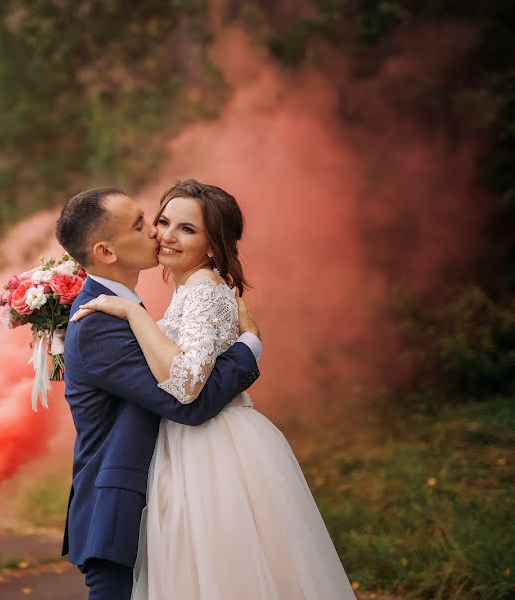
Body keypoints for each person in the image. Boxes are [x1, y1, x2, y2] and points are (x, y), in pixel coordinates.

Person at [72, 179, 355, 599]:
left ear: (212, 244)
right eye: (162, 221)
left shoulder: (203, 291)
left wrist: (137, 316)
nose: (163, 234)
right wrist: (248, 344)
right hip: (184, 449)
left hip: (212, 449)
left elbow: (186, 389)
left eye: (186, 229)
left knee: (221, 571)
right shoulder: (178, 294)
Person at [54, 186, 262, 600]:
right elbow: (188, 402)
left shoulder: (125, 306)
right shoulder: (99, 323)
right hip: (117, 513)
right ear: (106, 252)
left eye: (158, 220)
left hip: (153, 500)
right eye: (143, 224)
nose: (157, 232)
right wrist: (249, 346)